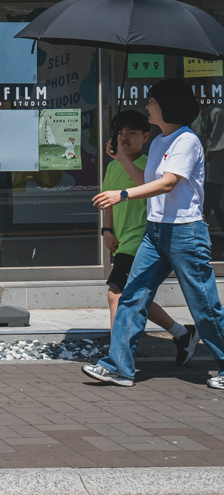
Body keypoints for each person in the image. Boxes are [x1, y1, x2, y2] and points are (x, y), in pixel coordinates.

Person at [85, 79, 224, 389]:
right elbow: (146, 182)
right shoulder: (160, 141)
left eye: (152, 101)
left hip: (185, 232)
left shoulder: (186, 141)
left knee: (204, 305)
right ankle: (118, 367)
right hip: (155, 231)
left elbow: (167, 183)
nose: (147, 105)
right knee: (132, 296)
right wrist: (121, 158)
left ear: (167, 106)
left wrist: (121, 195)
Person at [98, 110, 194, 355]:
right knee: (135, 295)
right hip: (122, 239)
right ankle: (182, 334)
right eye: (120, 133)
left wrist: (122, 159)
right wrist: (106, 230)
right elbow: (108, 200)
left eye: (132, 133)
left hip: (142, 238)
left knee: (116, 293)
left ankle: (117, 354)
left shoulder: (150, 166)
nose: (124, 137)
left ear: (145, 137)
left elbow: (148, 186)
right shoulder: (112, 167)